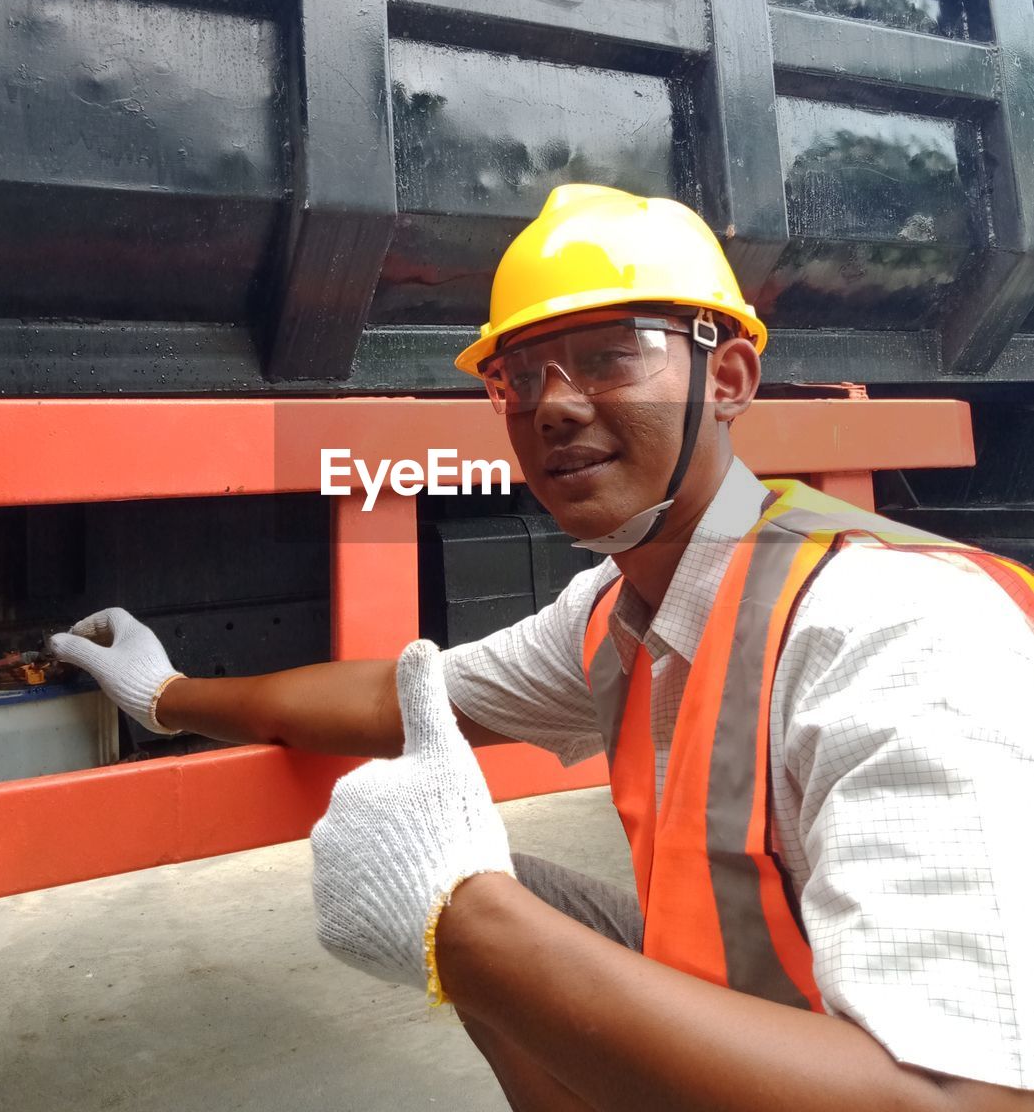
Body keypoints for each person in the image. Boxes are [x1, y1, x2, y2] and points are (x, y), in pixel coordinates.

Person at [50, 185, 1034, 1111]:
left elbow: (963, 1098)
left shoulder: (890, 626)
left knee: (484, 906)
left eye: (611, 354)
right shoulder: (617, 604)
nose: (550, 406)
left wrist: (468, 930)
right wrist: (167, 692)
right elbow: (402, 695)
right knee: (493, 882)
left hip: (865, 1069)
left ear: (727, 376)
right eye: (518, 377)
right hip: (780, 1017)